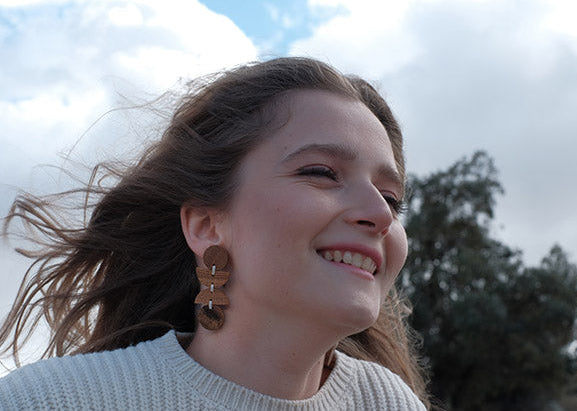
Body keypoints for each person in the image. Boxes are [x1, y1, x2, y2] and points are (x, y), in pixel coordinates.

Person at [0, 57, 430, 410]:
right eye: (321, 172)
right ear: (205, 226)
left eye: (392, 199)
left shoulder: (388, 403)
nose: (380, 214)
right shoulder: (47, 401)